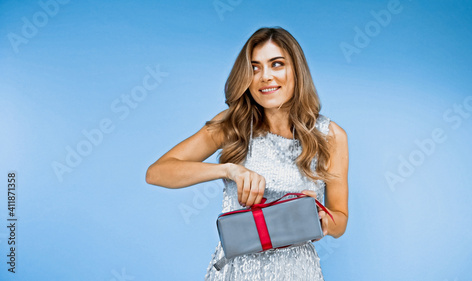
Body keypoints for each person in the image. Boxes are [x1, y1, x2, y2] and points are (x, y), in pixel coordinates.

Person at [145, 26, 349, 280]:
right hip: (236, 271)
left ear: (296, 70)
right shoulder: (233, 125)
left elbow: (340, 219)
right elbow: (157, 173)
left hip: (297, 272)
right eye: (254, 68)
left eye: (277, 64)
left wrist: (321, 219)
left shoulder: (331, 136)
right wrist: (229, 169)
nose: (265, 76)